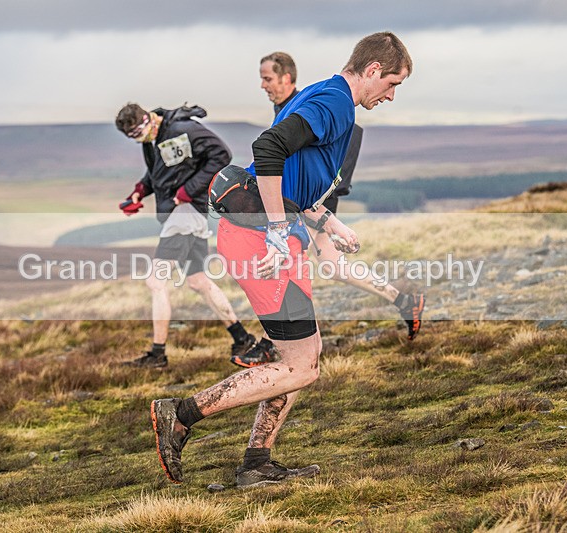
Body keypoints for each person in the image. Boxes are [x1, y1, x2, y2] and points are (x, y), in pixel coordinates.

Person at [151, 32, 415, 487]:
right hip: (259, 241)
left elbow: (293, 173)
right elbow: (268, 150)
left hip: (272, 237)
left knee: (303, 356)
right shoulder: (334, 102)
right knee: (299, 365)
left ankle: (257, 462)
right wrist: (276, 229)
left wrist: (327, 221)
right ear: (373, 70)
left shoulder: (328, 95)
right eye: (392, 83)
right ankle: (181, 414)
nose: (391, 95)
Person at [231, 50, 424, 368]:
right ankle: (403, 300)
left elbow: (315, 153)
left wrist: (320, 215)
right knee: (332, 266)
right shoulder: (298, 103)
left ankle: (274, 343)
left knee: (291, 263)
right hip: (301, 203)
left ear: (286, 78)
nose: (263, 85)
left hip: (310, 202)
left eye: (267, 79)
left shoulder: (317, 102)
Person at [115, 103, 256, 368]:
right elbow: (160, 169)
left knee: (155, 282)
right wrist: (139, 191)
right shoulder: (155, 136)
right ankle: (242, 337)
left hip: (186, 213)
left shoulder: (182, 130)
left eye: (138, 134)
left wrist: (188, 191)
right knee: (199, 282)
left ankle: (158, 354)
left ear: (147, 121)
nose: (138, 140)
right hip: (182, 213)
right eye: (132, 138)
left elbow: (221, 155)